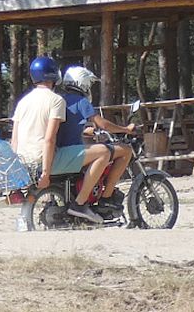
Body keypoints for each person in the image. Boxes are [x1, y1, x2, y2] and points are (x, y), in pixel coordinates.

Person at [10, 56, 110, 224]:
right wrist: (45, 173)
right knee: (104, 152)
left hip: (24, 162)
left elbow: (14, 140)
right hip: (44, 160)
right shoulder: (56, 100)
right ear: (54, 76)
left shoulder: (23, 102)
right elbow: (49, 139)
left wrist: (16, 173)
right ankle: (80, 204)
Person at [57, 66, 134, 207]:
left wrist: (85, 131)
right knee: (125, 150)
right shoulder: (81, 101)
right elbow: (103, 124)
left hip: (60, 151)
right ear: (83, 83)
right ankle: (106, 197)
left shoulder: (60, 100)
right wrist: (125, 129)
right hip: (71, 153)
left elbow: (66, 126)